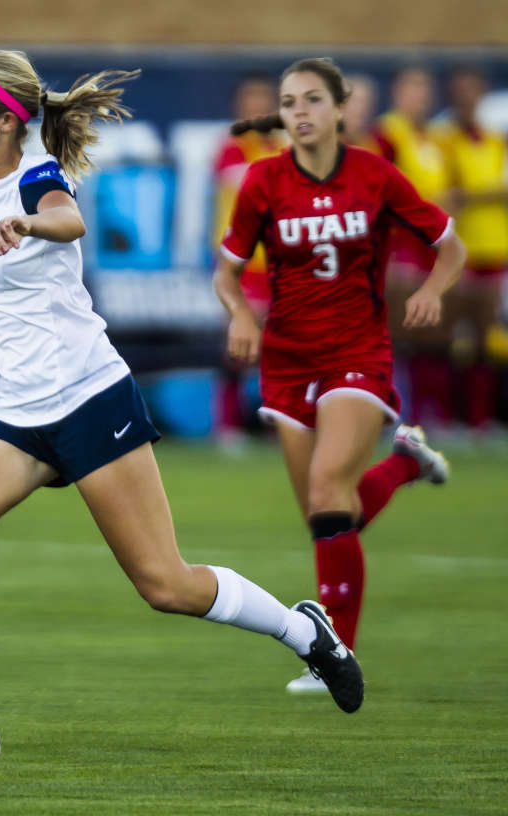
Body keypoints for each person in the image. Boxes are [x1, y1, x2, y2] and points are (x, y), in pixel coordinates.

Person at [0, 49, 364, 767]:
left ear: (7, 120)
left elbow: (68, 221)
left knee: (166, 584)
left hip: (87, 399)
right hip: (10, 414)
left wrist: (28, 226)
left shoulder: (37, 179)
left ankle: (306, 632)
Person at [214, 58, 466, 695]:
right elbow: (226, 272)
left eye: (312, 100)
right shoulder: (263, 181)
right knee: (329, 515)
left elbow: (451, 246)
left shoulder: (374, 174)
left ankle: (333, 658)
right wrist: (241, 313)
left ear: (339, 108)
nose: (299, 112)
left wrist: (435, 289)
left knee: (329, 493)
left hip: (358, 351)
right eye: (289, 102)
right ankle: (406, 461)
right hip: (287, 359)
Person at [375, 66, 455, 429]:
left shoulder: (437, 137)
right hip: (398, 251)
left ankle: (427, 417)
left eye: (424, 88)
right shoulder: (388, 135)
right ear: (397, 93)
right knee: (395, 335)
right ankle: (389, 415)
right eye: (412, 88)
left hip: (430, 251)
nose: (419, 96)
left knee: (431, 335)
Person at [211, 76, 286, 442]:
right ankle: (227, 425)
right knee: (239, 343)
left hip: (280, 261)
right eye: (249, 101)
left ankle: (278, 422)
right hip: (240, 263)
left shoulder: (284, 148)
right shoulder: (232, 148)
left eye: (263, 101)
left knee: (280, 345)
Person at [433, 66, 508, 431]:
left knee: (487, 336)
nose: (466, 97)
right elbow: (446, 195)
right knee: (448, 336)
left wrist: (472, 195)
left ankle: (480, 419)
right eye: (459, 90)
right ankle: (448, 417)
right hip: (455, 251)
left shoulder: (496, 141)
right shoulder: (443, 141)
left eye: (472, 89)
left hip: (494, 248)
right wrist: (488, 193)